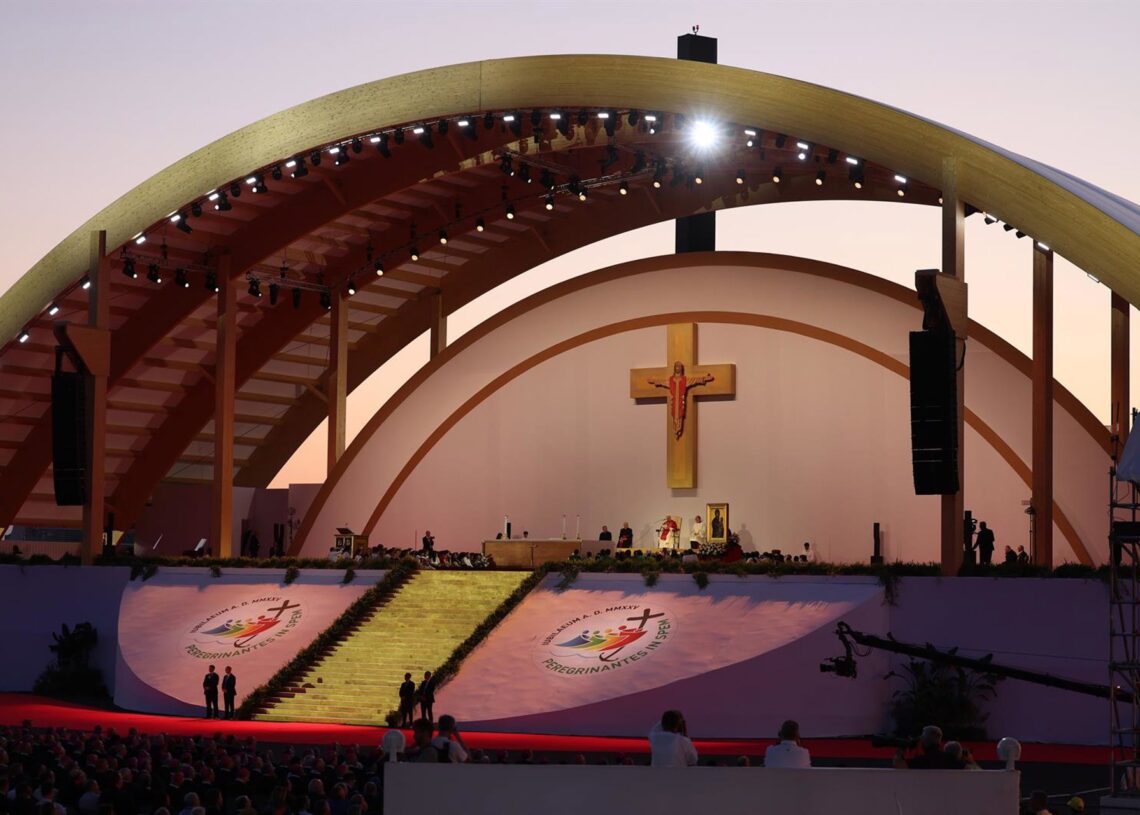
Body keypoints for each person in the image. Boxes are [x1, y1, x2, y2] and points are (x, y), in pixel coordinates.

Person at [646, 361, 714, 439]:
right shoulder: (670, 380)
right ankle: (676, 429)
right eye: (676, 366)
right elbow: (663, 382)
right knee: (675, 415)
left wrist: (704, 378)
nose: (678, 367)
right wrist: (654, 381)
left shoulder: (684, 380)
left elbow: (694, 380)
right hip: (674, 404)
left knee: (679, 415)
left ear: (682, 368)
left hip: (681, 404)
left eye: (680, 366)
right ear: (674, 368)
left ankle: (678, 429)